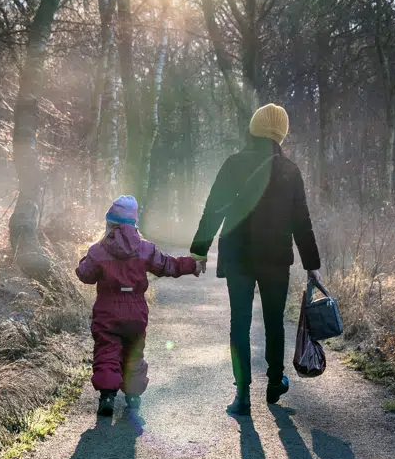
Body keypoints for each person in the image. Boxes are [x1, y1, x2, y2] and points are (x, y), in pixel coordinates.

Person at [190, 104, 321, 417]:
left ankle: (242, 396)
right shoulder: (290, 170)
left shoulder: (234, 164)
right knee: (275, 322)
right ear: (282, 134)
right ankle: (275, 384)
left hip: (238, 255)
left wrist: (199, 251)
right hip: (275, 258)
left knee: (240, 323)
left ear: (253, 128)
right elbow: (301, 221)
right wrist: (311, 263)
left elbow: (213, 209)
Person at [76, 195, 200, 416]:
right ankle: (133, 396)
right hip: (135, 311)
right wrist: (192, 265)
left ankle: (107, 395)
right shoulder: (145, 249)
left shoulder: (98, 250)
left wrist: (83, 262)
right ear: (134, 224)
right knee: (134, 352)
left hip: (107, 310)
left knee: (107, 350)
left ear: (109, 223)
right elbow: (167, 265)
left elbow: (85, 275)